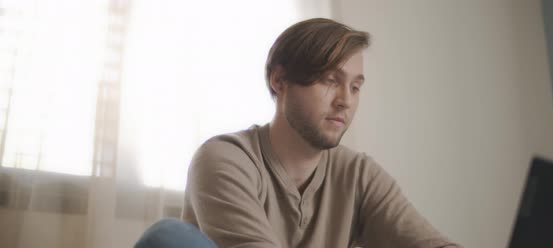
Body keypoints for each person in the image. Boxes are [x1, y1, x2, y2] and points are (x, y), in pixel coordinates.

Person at [136, 18, 461, 248]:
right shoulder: (224, 159)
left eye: (355, 87)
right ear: (280, 81)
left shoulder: (359, 175)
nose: (346, 101)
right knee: (167, 239)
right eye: (331, 81)